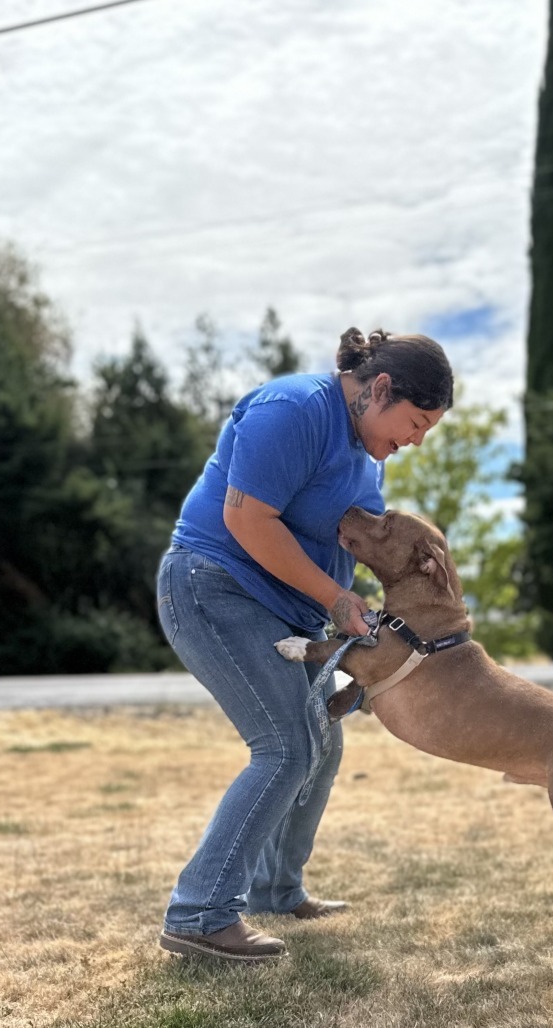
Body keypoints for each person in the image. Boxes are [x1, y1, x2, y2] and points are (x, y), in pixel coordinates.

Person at [155, 326, 454, 962]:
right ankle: (199, 912)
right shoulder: (293, 410)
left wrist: (420, 593)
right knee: (287, 745)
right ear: (379, 389)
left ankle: (274, 888)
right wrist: (336, 601)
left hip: (291, 616)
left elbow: (370, 544)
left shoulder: (364, 456)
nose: (416, 440)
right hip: (214, 588)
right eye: (416, 421)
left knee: (322, 740)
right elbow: (245, 519)